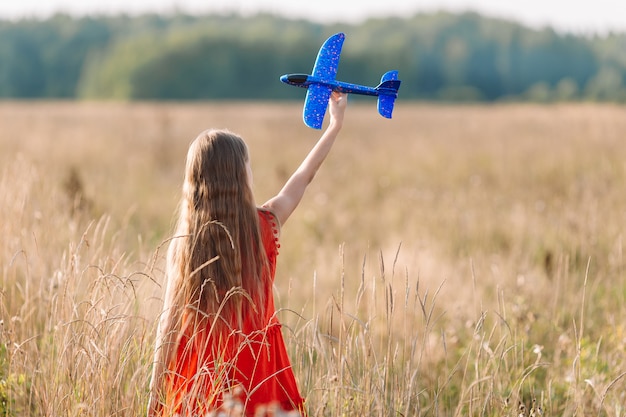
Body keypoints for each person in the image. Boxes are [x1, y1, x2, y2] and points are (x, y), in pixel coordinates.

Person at [147, 92, 348, 417]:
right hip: (261, 377)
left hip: (204, 382)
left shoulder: (185, 243)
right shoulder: (264, 226)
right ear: (241, 178)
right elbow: (302, 181)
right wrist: (334, 127)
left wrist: (154, 399)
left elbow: (168, 329)